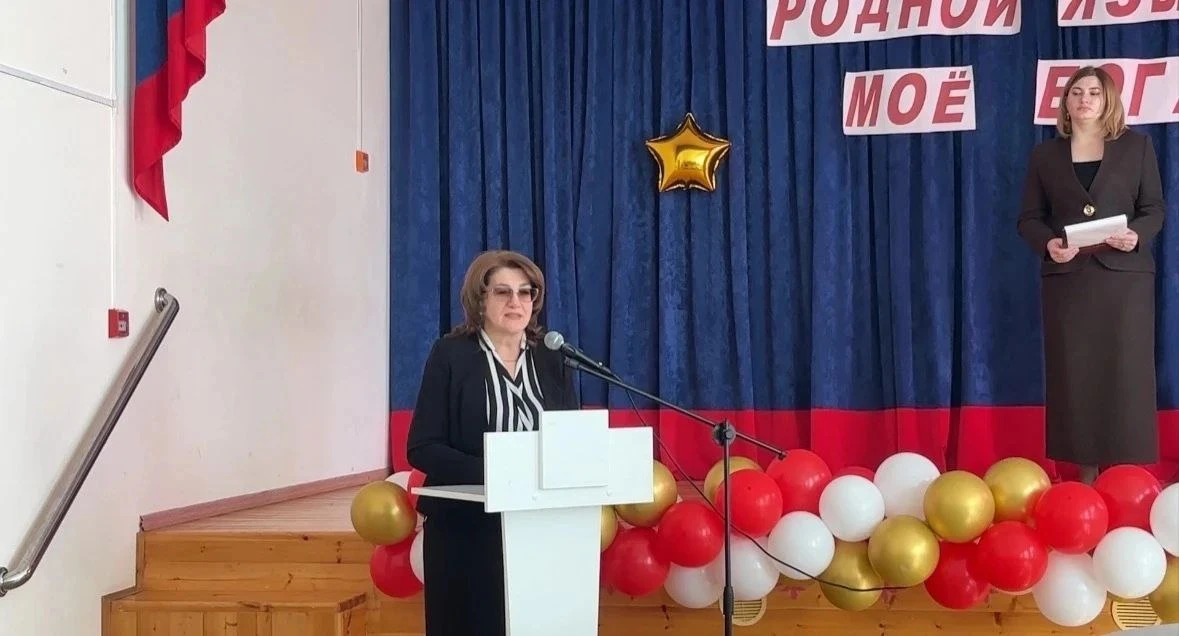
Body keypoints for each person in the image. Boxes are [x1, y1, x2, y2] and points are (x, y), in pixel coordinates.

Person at [405, 249, 581, 635]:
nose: (516, 302)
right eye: (503, 292)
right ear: (480, 300)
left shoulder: (552, 358)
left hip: (540, 525)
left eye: (525, 292)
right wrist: (500, 472)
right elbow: (422, 446)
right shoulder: (451, 355)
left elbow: (568, 439)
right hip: (467, 528)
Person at [1017, 66, 1166, 484]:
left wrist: (1135, 235)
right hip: (1070, 282)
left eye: (1094, 93)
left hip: (1124, 281)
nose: (1085, 99)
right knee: (1076, 378)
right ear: (1066, 102)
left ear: (1108, 100)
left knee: (1125, 375)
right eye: (1076, 92)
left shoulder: (1137, 147)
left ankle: (1127, 478)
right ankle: (1084, 477)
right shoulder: (1044, 156)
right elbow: (1029, 219)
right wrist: (1049, 243)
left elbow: (1154, 209)